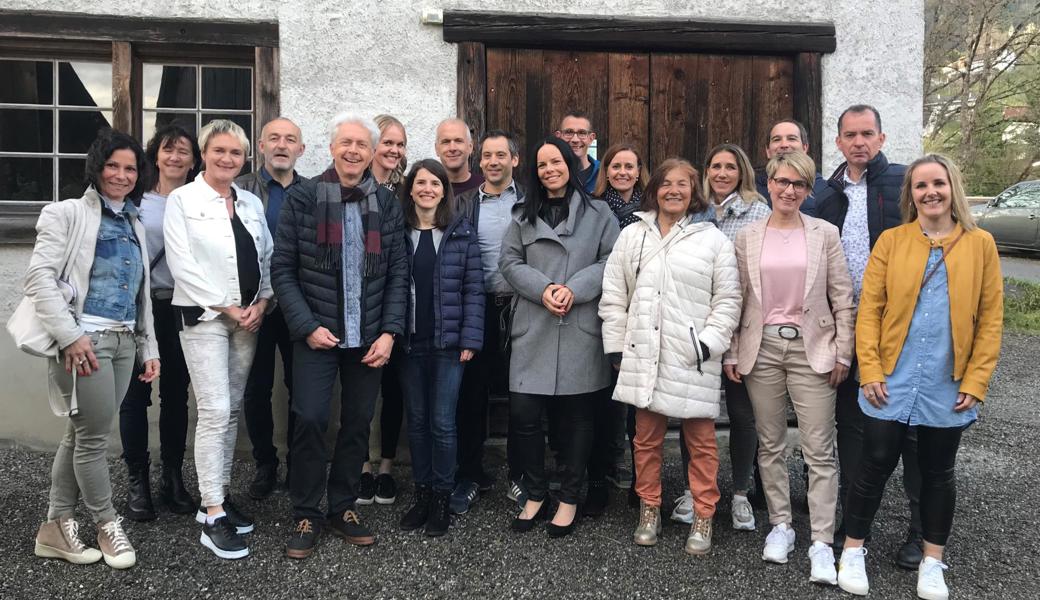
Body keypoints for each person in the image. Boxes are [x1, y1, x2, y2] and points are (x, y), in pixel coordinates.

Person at [836, 155, 1003, 600]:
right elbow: (868, 310)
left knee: (938, 472)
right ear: (909, 194)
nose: (930, 192)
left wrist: (976, 380)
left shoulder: (980, 243)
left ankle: (933, 561)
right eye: (920, 185)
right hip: (891, 376)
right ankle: (853, 550)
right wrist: (867, 367)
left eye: (938, 184)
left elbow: (990, 318)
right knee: (873, 464)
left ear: (953, 188)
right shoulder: (892, 241)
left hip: (947, 382)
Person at [274, 113, 407, 560]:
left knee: (356, 423)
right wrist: (306, 327)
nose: (353, 151)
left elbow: (396, 274)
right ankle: (307, 511)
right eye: (345, 143)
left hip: (367, 337)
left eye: (361, 145)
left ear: (372, 154)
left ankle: (343, 506)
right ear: (330, 148)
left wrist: (389, 332)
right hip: (317, 334)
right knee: (310, 417)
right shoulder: (304, 197)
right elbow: (283, 270)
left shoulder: (386, 204)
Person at [27, 129, 159, 570]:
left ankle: (54, 527)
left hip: (123, 342)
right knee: (94, 441)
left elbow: (141, 295)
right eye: (112, 166)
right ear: (97, 167)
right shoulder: (66, 214)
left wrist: (148, 346)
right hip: (84, 343)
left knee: (79, 434)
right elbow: (39, 280)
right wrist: (70, 336)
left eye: (130, 168)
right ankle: (106, 523)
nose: (121, 175)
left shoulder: (134, 222)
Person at [724, 151, 854, 585]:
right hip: (761, 350)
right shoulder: (748, 236)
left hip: (811, 348)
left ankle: (820, 539)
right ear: (769, 184)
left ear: (808, 189)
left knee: (819, 449)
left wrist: (843, 352)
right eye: (782, 181)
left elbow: (842, 297)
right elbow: (737, 296)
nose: (789, 190)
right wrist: (730, 351)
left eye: (799, 184)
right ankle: (781, 525)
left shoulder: (825, 233)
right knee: (771, 443)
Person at [599, 157, 741, 554]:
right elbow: (614, 294)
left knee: (700, 441)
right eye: (666, 184)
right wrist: (616, 345)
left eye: (683, 184)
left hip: (690, 355)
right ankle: (649, 507)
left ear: (695, 191)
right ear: (654, 189)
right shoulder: (633, 235)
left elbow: (728, 298)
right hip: (644, 351)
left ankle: (703, 512)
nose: (674, 190)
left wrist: (708, 343)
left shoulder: (712, 239)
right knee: (645, 439)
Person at [814, 104, 922, 568]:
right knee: (852, 424)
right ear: (837, 141)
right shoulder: (827, 192)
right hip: (843, 322)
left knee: (913, 426)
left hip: (897, 323)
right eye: (850, 135)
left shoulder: (903, 183)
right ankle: (857, 521)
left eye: (867, 134)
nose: (859, 142)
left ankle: (921, 528)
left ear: (881, 138)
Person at [499, 136, 620, 538]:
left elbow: (611, 261)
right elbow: (509, 261)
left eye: (557, 162)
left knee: (577, 420)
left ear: (570, 163)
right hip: (533, 325)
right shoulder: (521, 214)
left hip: (579, 325)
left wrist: (576, 288)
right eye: (542, 164)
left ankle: (569, 497)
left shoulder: (599, 213)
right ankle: (535, 493)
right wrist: (543, 288)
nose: (550, 169)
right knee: (524, 416)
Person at [164, 119, 274, 560]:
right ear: (204, 153)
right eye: (219, 151)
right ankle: (211, 514)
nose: (227, 159)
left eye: (235, 153)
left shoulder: (249, 202)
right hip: (206, 317)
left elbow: (265, 254)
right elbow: (182, 263)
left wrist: (262, 304)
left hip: (248, 319)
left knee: (230, 411)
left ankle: (220, 492)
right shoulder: (183, 200)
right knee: (214, 410)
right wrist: (228, 306)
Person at [396, 159, 485, 537]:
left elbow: (473, 289)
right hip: (408, 344)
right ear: (411, 189)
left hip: (448, 345)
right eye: (421, 182)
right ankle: (422, 493)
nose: (428, 188)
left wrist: (469, 338)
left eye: (435, 183)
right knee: (416, 423)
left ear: (444, 191)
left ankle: (442, 499)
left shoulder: (460, 232)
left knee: (443, 424)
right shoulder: (397, 232)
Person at [118, 125, 201, 521]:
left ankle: (172, 475)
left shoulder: (199, 200)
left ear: (194, 159)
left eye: (183, 151)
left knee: (176, 394)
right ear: (156, 155)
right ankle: (138, 479)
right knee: (135, 396)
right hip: (139, 308)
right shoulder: (138, 200)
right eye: (168, 150)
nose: (175, 158)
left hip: (181, 308)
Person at [693, 142, 771, 531]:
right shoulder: (695, 212)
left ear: (741, 172)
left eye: (730, 167)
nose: (722, 173)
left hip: (742, 329)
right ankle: (697, 490)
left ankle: (740, 492)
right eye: (715, 166)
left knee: (743, 415)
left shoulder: (759, 213)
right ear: (706, 171)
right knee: (697, 413)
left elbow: (759, 279)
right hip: (700, 328)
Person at [452, 129, 525, 513]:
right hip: (476, 309)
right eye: (487, 156)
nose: (493, 161)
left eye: (501, 155)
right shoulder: (463, 204)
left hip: (521, 308)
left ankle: (521, 476)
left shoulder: (530, 203)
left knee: (522, 396)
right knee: (471, 395)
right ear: (479, 162)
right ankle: (469, 474)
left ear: (515, 160)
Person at [236, 117, 305, 500]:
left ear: (301, 149)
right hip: (253, 305)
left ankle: (299, 463)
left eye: (290, 139)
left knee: (301, 387)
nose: (282, 145)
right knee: (256, 387)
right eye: (274, 138)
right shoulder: (240, 188)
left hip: (299, 306)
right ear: (260, 146)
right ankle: (265, 463)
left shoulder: (312, 192)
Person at [587, 141, 652, 514]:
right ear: (606, 171)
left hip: (643, 312)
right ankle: (601, 471)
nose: (623, 172)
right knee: (602, 395)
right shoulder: (595, 208)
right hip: (605, 308)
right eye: (616, 166)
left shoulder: (652, 208)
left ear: (639, 170)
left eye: (630, 166)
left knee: (637, 403)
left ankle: (639, 477)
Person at [359, 114, 410, 506]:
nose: (394, 150)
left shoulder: (407, 191)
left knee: (392, 390)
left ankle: (388, 466)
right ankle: (360, 466)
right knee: (359, 392)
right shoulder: (351, 187)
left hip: (395, 301)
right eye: (387, 143)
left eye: (400, 144)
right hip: (359, 304)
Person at [753, 119, 827, 214]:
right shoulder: (751, 189)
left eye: (792, 138)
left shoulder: (824, 191)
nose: (784, 145)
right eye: (777, 139)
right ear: (768, 151)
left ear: (805, 148)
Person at [435, 118, 484, 195]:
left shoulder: (485, 188)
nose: (452, 148)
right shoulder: (429, 191)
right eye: (446, 142)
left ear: (470, 147)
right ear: (437, 149)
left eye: (458, 141)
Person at [556, 111, 599, 195]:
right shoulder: (551, 174)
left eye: (582, 133)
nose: (575, 140)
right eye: (569, 132)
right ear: (558, 136)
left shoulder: (603, 173)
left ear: (591, 138)